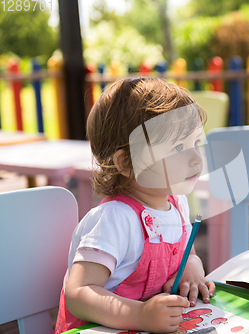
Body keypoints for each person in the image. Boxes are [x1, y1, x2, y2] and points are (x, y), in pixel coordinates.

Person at [54, 77, 215, 334]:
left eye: (196, 143)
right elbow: (79, 293)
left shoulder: (178, 204)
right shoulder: (115, 218)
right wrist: (140, 315)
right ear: (127, 163)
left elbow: (189, 252)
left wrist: (192, 268)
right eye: (177, 147)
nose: (196, 159)